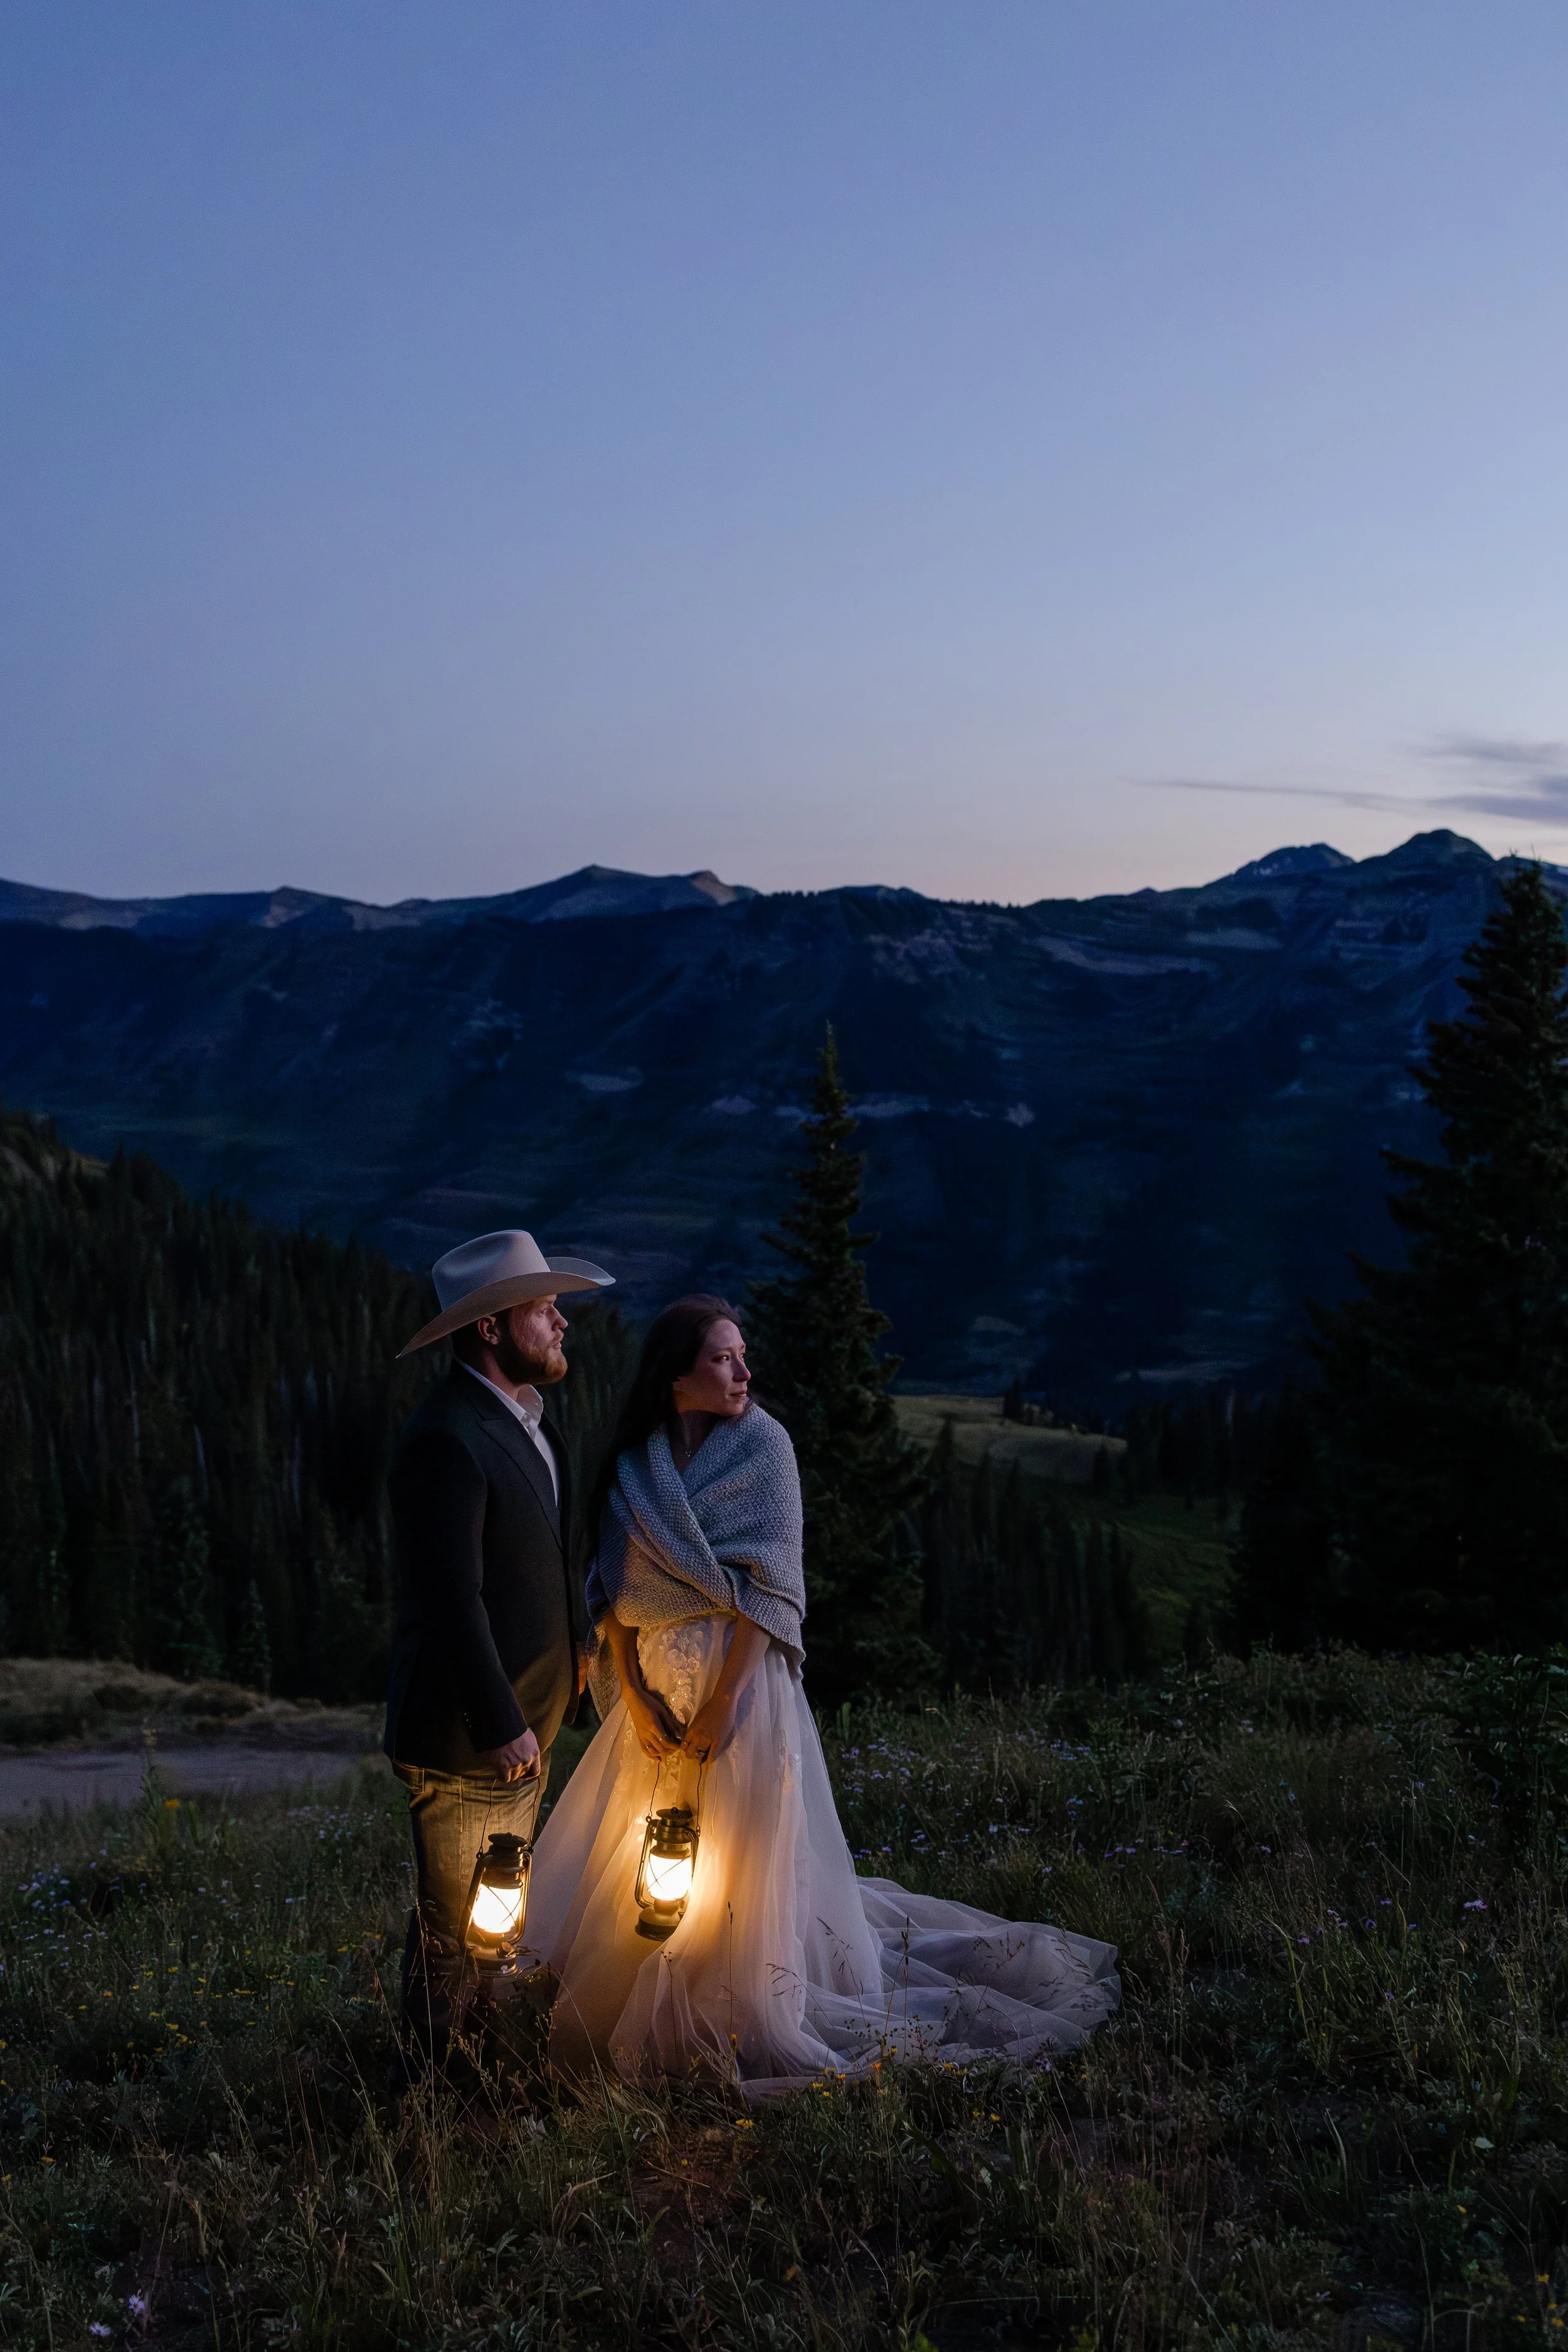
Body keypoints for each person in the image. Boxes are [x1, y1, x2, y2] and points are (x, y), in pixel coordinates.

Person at [525, 1295, 1119, 2091]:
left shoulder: (765, 1448)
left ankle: (733, 1999)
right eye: (721, 1359)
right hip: (656, 1701)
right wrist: (634, 1699)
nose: (742, 1372)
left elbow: (771, 1591)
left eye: (742, 1356)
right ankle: (642, 1986)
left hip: (741, 1692)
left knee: (737, 1860)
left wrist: (726, 1701)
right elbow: (614, 1601)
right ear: (675, 1376)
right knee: (650, 1850)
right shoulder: (636, 1469)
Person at [385, 1227, 613, 2077]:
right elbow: (450, 1599)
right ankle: (435, 2097)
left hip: (515, 1730)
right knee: (456, 1928)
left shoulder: (515, 1420)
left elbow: (543, 1559)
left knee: (483, 1914)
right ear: (491, 1327)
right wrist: (501, 1719)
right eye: (545, 1309)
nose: (562, 1324)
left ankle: (466, 2069)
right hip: (471, 1737)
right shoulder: (447, 1437)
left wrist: (576, 1659)